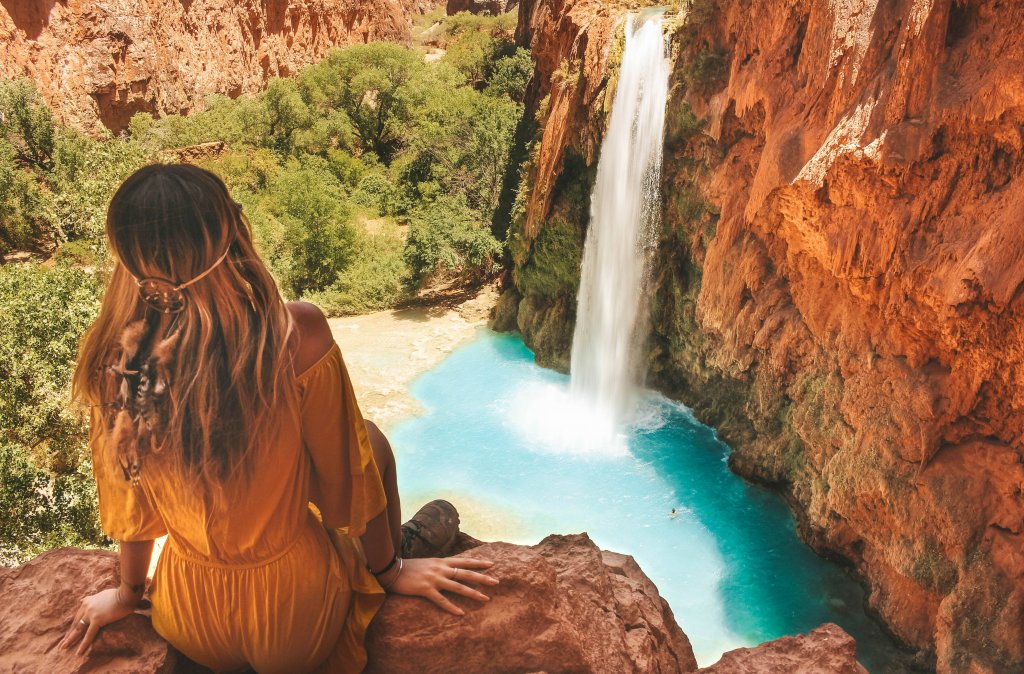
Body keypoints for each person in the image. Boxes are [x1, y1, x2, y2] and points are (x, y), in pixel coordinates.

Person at [58, 164, 498, 673]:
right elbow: (346, 470)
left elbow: (128, 499)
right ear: (231, 232)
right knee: (372, 442)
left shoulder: (118, 360)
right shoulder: (293, 334)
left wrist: (127, 592)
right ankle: (396, 555)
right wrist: (390, 571)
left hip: (189, 617)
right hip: (292, 621)